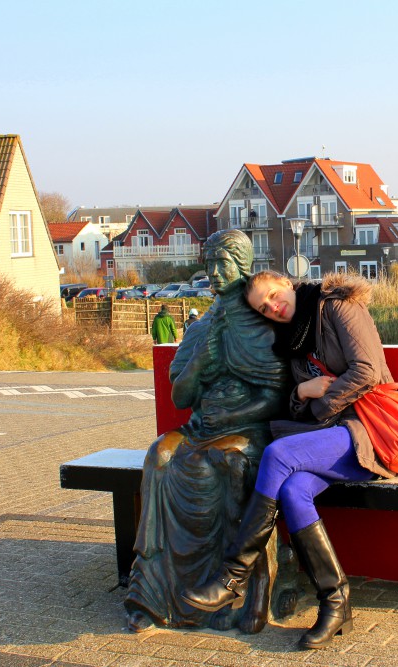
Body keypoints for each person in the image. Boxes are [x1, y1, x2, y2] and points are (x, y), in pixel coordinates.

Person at [181, 270, 395, 650]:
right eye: (264, 308)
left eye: (274, 296)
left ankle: (232, 577)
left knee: (278, 453)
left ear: (286, 283)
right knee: (295, 490)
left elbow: (368, 371)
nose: (274, 308)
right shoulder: (290, 341)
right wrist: (302, 389)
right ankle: (336, 601)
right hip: (330, 438)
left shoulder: (339, 307)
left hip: (369, 431)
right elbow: (296, 406)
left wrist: (319, 405)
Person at [125, 231, 299, 634]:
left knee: (226, 460)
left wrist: (234, 414)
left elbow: (279, 397)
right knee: (160, 457)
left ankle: (238, 593)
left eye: (224, 264)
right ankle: (152, 593)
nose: (214, 274)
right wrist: (201, 360)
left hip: (249, 431)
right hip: (201, 427)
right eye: (210, 264)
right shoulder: (201, 328)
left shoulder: (265, 326)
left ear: (244, 267)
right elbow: (181, 395)